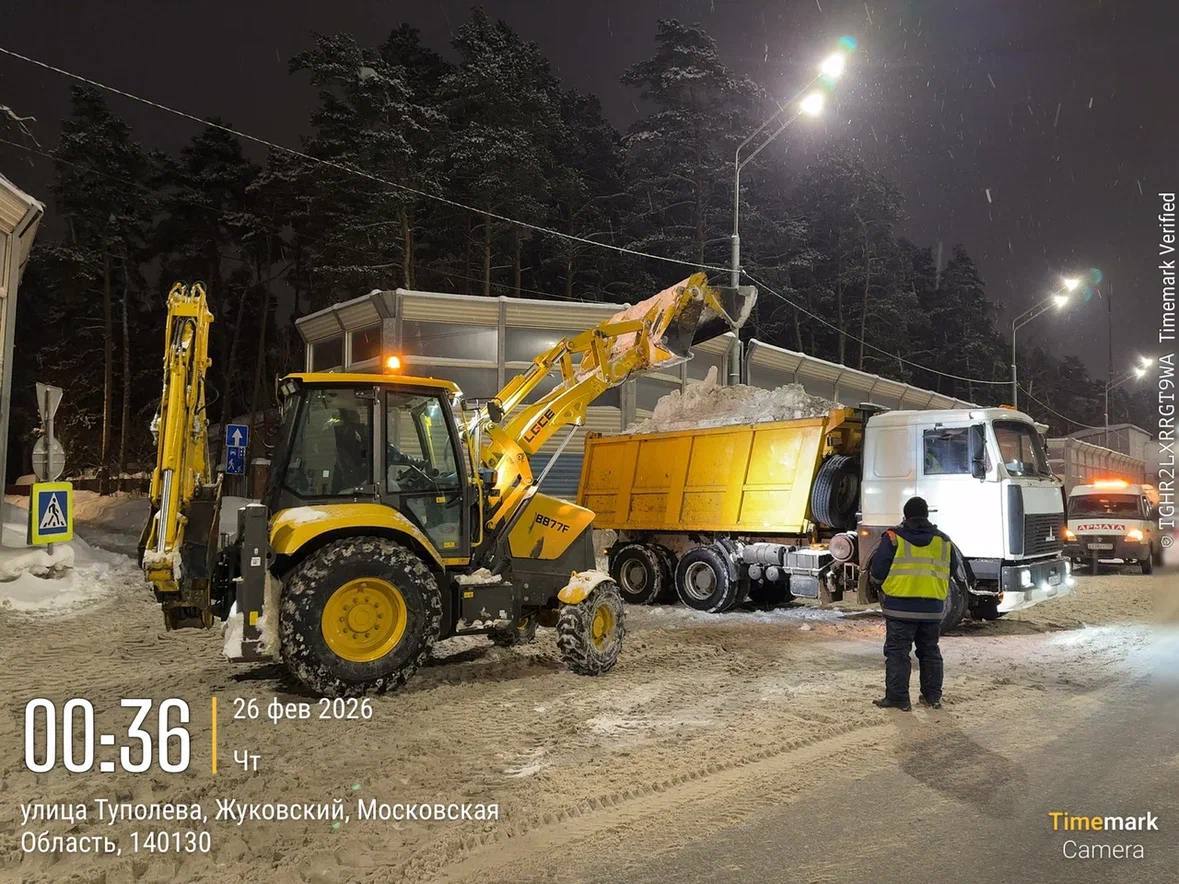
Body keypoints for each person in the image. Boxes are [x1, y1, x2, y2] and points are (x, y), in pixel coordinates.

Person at [868, 496, 968, 712]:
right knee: (930, 651)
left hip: (899, 607)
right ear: (927, 515)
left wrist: (880, 586)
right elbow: (951, 570)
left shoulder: (893, 538)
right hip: (932, 609)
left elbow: (877, 571)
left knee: (897, 653)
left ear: (905, 515)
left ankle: (898, 698)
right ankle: (932, 697)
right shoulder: (943, 540)